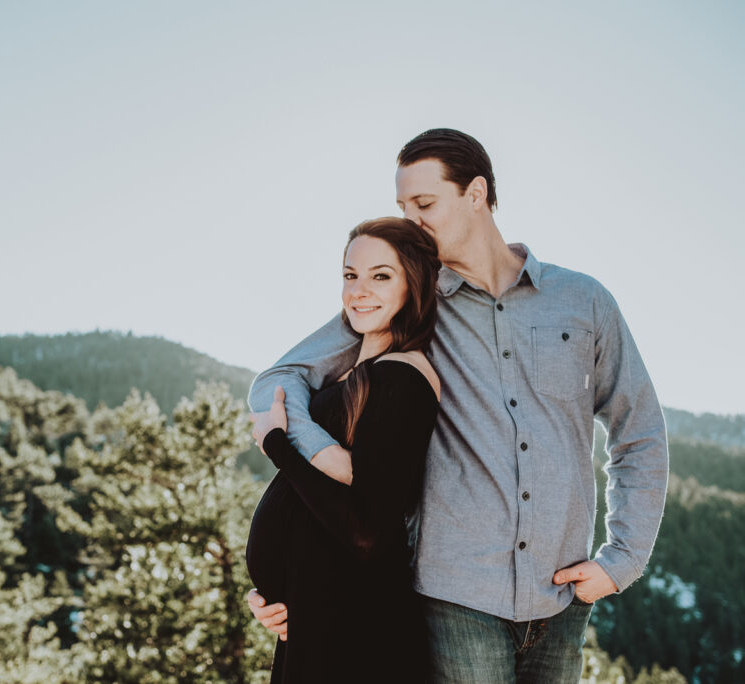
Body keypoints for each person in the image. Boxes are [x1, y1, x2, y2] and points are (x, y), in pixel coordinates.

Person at [246, 129, 668, 682]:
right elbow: (278, 382)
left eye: (424, 204)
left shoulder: (584, 301)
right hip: (454, 601)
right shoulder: (410, 300)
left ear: (476, 193)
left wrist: (622, 560)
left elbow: (638, 431)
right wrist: (327, 456)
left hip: (562, 596)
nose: (411, 222)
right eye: (403, 207)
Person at [246, 217, 441, 682]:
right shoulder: (360, 369)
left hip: (353, 629)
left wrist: (278, 444)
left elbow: (368, 532)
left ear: (413, 284)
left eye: (381, 276)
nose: (358, 291)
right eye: (350, 275)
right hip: (318, 612)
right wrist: (271, 590)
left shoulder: (403, 376)